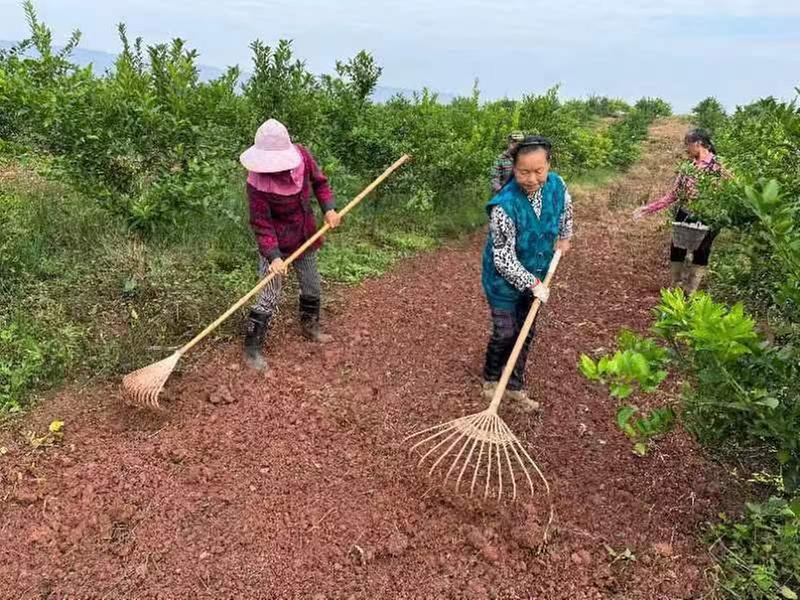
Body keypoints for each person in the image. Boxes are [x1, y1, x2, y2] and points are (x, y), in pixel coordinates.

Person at [239, 118, 342, 371]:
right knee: (269, 295)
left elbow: (320, 182)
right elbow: (261, 223)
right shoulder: (257, 184)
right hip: (274, 245)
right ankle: (252, 349)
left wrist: (329, 209)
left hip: (303, 236)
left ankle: (310, 326)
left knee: (312, 285)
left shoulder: (303, 158)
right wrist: (273, 256)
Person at [481, 136, 573, 411]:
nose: (531, 178)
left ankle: (514, 386)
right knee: (505, 331)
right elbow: (503, 258)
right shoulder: (503, 206)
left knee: (526, 330)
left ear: (548, 166)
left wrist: (565, 236)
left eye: (538, 171)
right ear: (514, 168)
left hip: (539, 269)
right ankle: (491, 378)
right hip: (502, 280)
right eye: (523, 172)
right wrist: (532, 284)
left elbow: (565, 211)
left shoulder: (557, 185)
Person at [633, 129, 723, 293]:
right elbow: (674, 194)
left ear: (698, 144)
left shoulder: (718, 166)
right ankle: (675, 288)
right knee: (677, 248)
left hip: (709, 215)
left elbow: (731, 190)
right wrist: (648, 209)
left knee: (702, 252)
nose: (686, 148)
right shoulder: (688, 167)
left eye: (687, 144)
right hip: (686, 212)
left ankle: (690, 291)